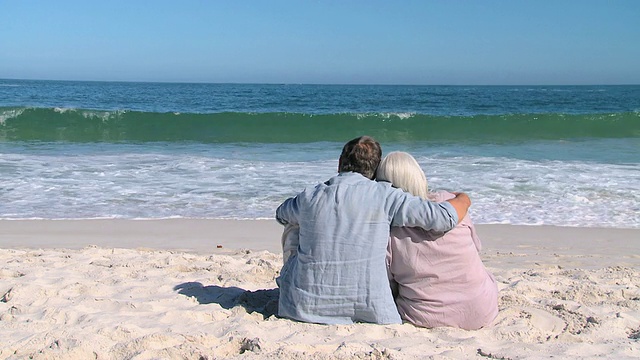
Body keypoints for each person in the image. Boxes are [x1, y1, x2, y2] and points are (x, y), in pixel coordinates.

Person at [275, 136, 471, 325]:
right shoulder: (387, 196)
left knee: (294, 224)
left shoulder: (310, 195)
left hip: (301, 309)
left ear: (340, 163)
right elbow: (442, 218)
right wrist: (463, 198)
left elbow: (281, 214)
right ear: (376, 169)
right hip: (373, 311)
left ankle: (299, 289)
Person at [376, 151, 498, 330]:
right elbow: (476, 247)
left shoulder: (388, 231)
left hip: (425, 318)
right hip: (481, 311)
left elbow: (388, 283)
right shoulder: (451, 204)